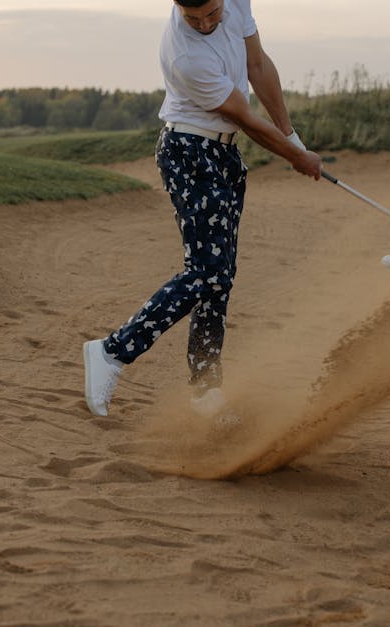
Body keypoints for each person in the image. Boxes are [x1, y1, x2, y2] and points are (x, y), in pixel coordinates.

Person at [84, 0, 322, 418]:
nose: (206, 23)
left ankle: (205, 389)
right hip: (188, 152)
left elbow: (258, 65)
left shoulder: (236, 2)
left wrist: (292, 135)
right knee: (207, 271)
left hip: (224, 155)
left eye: (213, 13)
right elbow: (245, 118)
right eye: (193, 18)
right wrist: (293, 156)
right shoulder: (184, 55)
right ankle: (111, 352)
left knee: (221, 276)